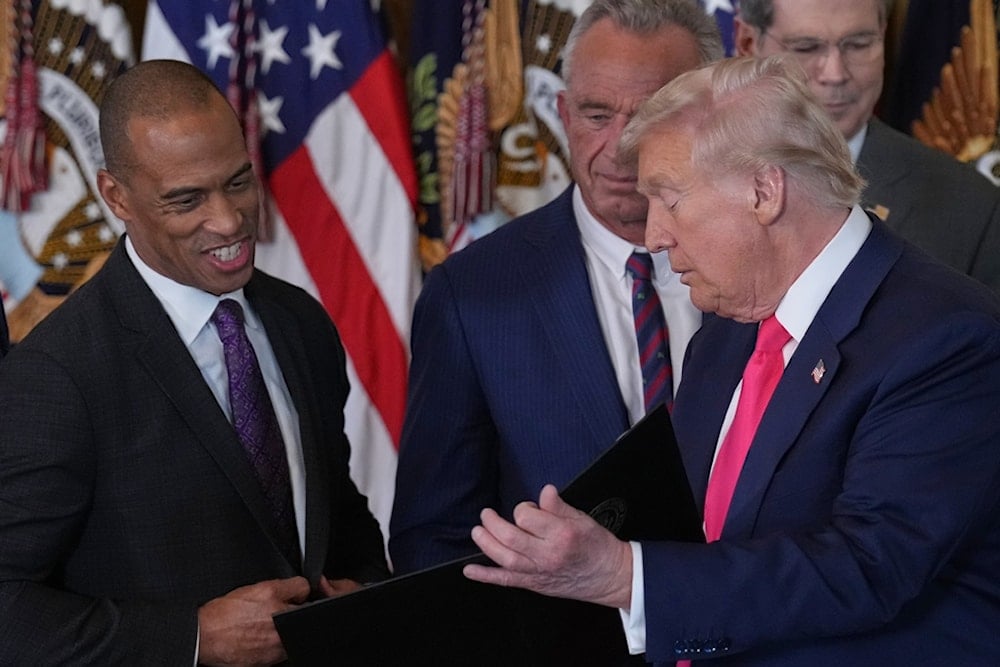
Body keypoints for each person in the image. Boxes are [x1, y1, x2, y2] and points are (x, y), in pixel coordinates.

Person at [463, 55, 1000, 664]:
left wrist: (627, 576)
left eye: (669, 199)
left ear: (764, 192)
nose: (654, 236)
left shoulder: (946, 339)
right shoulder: (726, 330)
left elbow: (869, 567)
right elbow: (704, 533)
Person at [0, 60, 388, 665]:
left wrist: (366, 594)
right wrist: (193, 639)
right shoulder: (58, 375)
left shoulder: (300, 323)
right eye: (187, 200)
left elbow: (338, 512)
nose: (229, 221)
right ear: (115, 196)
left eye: (238, 182)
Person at [389, 0, 723, 574]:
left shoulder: (771, 269)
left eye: (648, 117)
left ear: (710, 118)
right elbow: (436, 544)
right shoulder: (471, 298)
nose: (619, 147)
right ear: (562, 113)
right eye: (596, 115)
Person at [736, 0, 1000, 293]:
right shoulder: (699, 176)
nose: (835, 74)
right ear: (748, 44)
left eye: (858, 44)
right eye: (806, 48)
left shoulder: (971, 208)